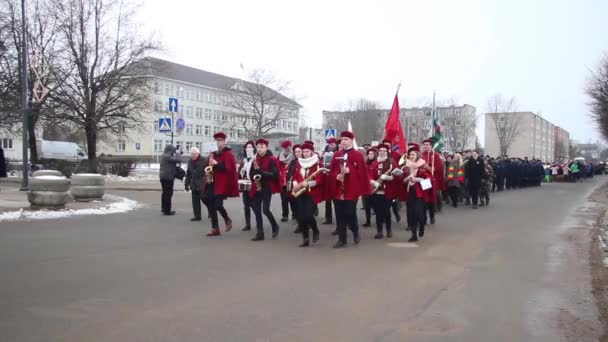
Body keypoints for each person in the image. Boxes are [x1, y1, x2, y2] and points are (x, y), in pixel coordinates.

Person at [328, 131, 370, 248]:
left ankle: (355, 230)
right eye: (342, 140)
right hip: (338, 191)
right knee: (339, 215)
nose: (343, 141)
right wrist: (336, 175)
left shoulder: (357, 155)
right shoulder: (337, 154)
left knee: (350, 213)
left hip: (351, 190)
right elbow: (331, 171)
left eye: (346, 139)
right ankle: (342, 239)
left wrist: (350, 171)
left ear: (351, 140)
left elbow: (362, 173)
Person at [204, 132, 239, 237]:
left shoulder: (228, 154)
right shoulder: (213, 153)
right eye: (216, 140)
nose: (218, 142)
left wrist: (216, 164)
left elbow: (228, 169)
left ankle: (227, 219)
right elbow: (207, 167)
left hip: (222, 184)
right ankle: (215, 229)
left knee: (218, 205)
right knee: (210, 206)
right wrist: (209, 163)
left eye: (220, 140)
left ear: (224, 141)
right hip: (212, 182)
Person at [291, 143, 324, 247]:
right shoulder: (299, 163)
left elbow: (320, 179)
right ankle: (305, 238)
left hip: (311, 193)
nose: (305, 154)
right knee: (301, 216)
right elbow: (295, 176)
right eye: (303, 152)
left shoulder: (317, 163)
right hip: (301, 192)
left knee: (309, 215)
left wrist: (308, 183)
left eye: (307, 152)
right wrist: (296, 185)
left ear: (311, 152)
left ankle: (315, 230)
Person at [249, 138, 281, 241]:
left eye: (262, 147)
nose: (259, 149)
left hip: (267, 187)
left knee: (265, 210)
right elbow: (252, 174)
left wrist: (260, 171)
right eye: (258, 147)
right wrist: (253, 171)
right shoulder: (255, 159)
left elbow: (274, 176)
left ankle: (275, 225)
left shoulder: (272, 159)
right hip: (257, 186)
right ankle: (260, 233)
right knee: (257, 210)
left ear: (267, 148)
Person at [400, 144, 432, 242]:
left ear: (417, 155)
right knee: (411, 214)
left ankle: (422, 226)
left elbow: (429, 181)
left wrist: (417, 179)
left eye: (413, 155)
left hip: (420, 194)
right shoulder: (406, 166)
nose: (411, 157)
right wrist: (406, 179)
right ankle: (414, 235)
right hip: (410, 193)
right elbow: (402, 180)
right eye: (410, 155)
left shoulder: (423, 165)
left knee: (420, 215)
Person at [368, 144, 399, 239]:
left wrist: (387, 177)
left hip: (387, 191)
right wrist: (373, 182)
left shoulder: (391, 162)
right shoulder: (374, 163)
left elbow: (396, 176)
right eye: (380, 150)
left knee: (386, 212)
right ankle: (379, 231)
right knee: (378, 212)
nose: (382, 152)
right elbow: (369, 175)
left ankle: (389, 230)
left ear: (387, 152)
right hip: (376, 191)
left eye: (384, 151)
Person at [421, 138, 445, 224]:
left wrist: (433, 169)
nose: (425, 146)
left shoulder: (435, 155)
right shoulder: (421, 155)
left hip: (433, 180)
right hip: (424, 180)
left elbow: (439, 167)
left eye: (427, 145)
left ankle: (432, 216)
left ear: (431, 146)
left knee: (432, 199)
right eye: (424, 145)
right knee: (424, 199)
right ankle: (423, 217)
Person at [185, 147, 208, 221]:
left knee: (204, 199)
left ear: (198, 154)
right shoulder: (190, 161)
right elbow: (188, 173)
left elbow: (209, 172)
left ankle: (211, 210)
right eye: (192, 154)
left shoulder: (204, 160)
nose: (193, 156)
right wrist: (186, 184)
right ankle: (197, 216)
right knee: (195, 201)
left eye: (194, 154)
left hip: (202, 183)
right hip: (193, 183)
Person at [238, 141, 256, 231]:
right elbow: (240, 171)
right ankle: (247, 224)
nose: (248, 149)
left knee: (253, 205)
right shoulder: (244, 160)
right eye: (247, 147)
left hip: (253, 184)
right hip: (245, 185)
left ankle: (258, 221)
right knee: (246, 205)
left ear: (253, 148)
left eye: (250, 147)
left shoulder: (255, 158)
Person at [159, 144, 182, 216]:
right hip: (168, 177)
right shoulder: (167, 156)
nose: (173, 152)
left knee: (165, 193)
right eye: (173, 151)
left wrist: (177, 153)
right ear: (170, 150)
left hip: (164, 177)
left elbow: (175, 160)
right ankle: (167, 211)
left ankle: (164, 208)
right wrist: (178, 153)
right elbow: (178, 160)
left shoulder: (164, 155)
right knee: (168, 193)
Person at [286, 144, 303, 233]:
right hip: (291, 186)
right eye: (295, 152)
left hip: (301, 186)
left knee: (301, 206)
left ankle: (302, 225)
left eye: (299, 151)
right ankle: (298, 221)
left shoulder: (305, 161)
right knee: (294, 206)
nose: (297, 153)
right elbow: (289, 173)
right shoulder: (293, 162)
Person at [321, 138, 338, 225]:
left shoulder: (338, 153)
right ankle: (328, 218)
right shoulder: (324, 154)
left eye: (333, 144)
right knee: (327, 200)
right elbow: (321, 163)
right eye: (330, 144)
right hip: (326, 178)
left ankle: (339, 218)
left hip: (335, 179)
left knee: (336, 200)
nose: (331, 146)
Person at [278, 140, 295, 222]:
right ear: (283, 149)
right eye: (286, 148)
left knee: (292, 199)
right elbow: (277, 167)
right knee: (284, 200)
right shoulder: (279, 157)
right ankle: (285, 215)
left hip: (291, 181)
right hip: (282, 182)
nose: (288, 149)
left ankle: (295, 214)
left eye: (289, 147)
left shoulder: (294, 156)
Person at [361, 147, 377, 228]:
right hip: (366, 186)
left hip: (375, 186)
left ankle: (380, 219)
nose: (370, 155)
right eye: (369, 154)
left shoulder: (376, 163)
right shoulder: (366, 163)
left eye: (372, 154)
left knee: (376, 205)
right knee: (367, 205)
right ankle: (368, 221)